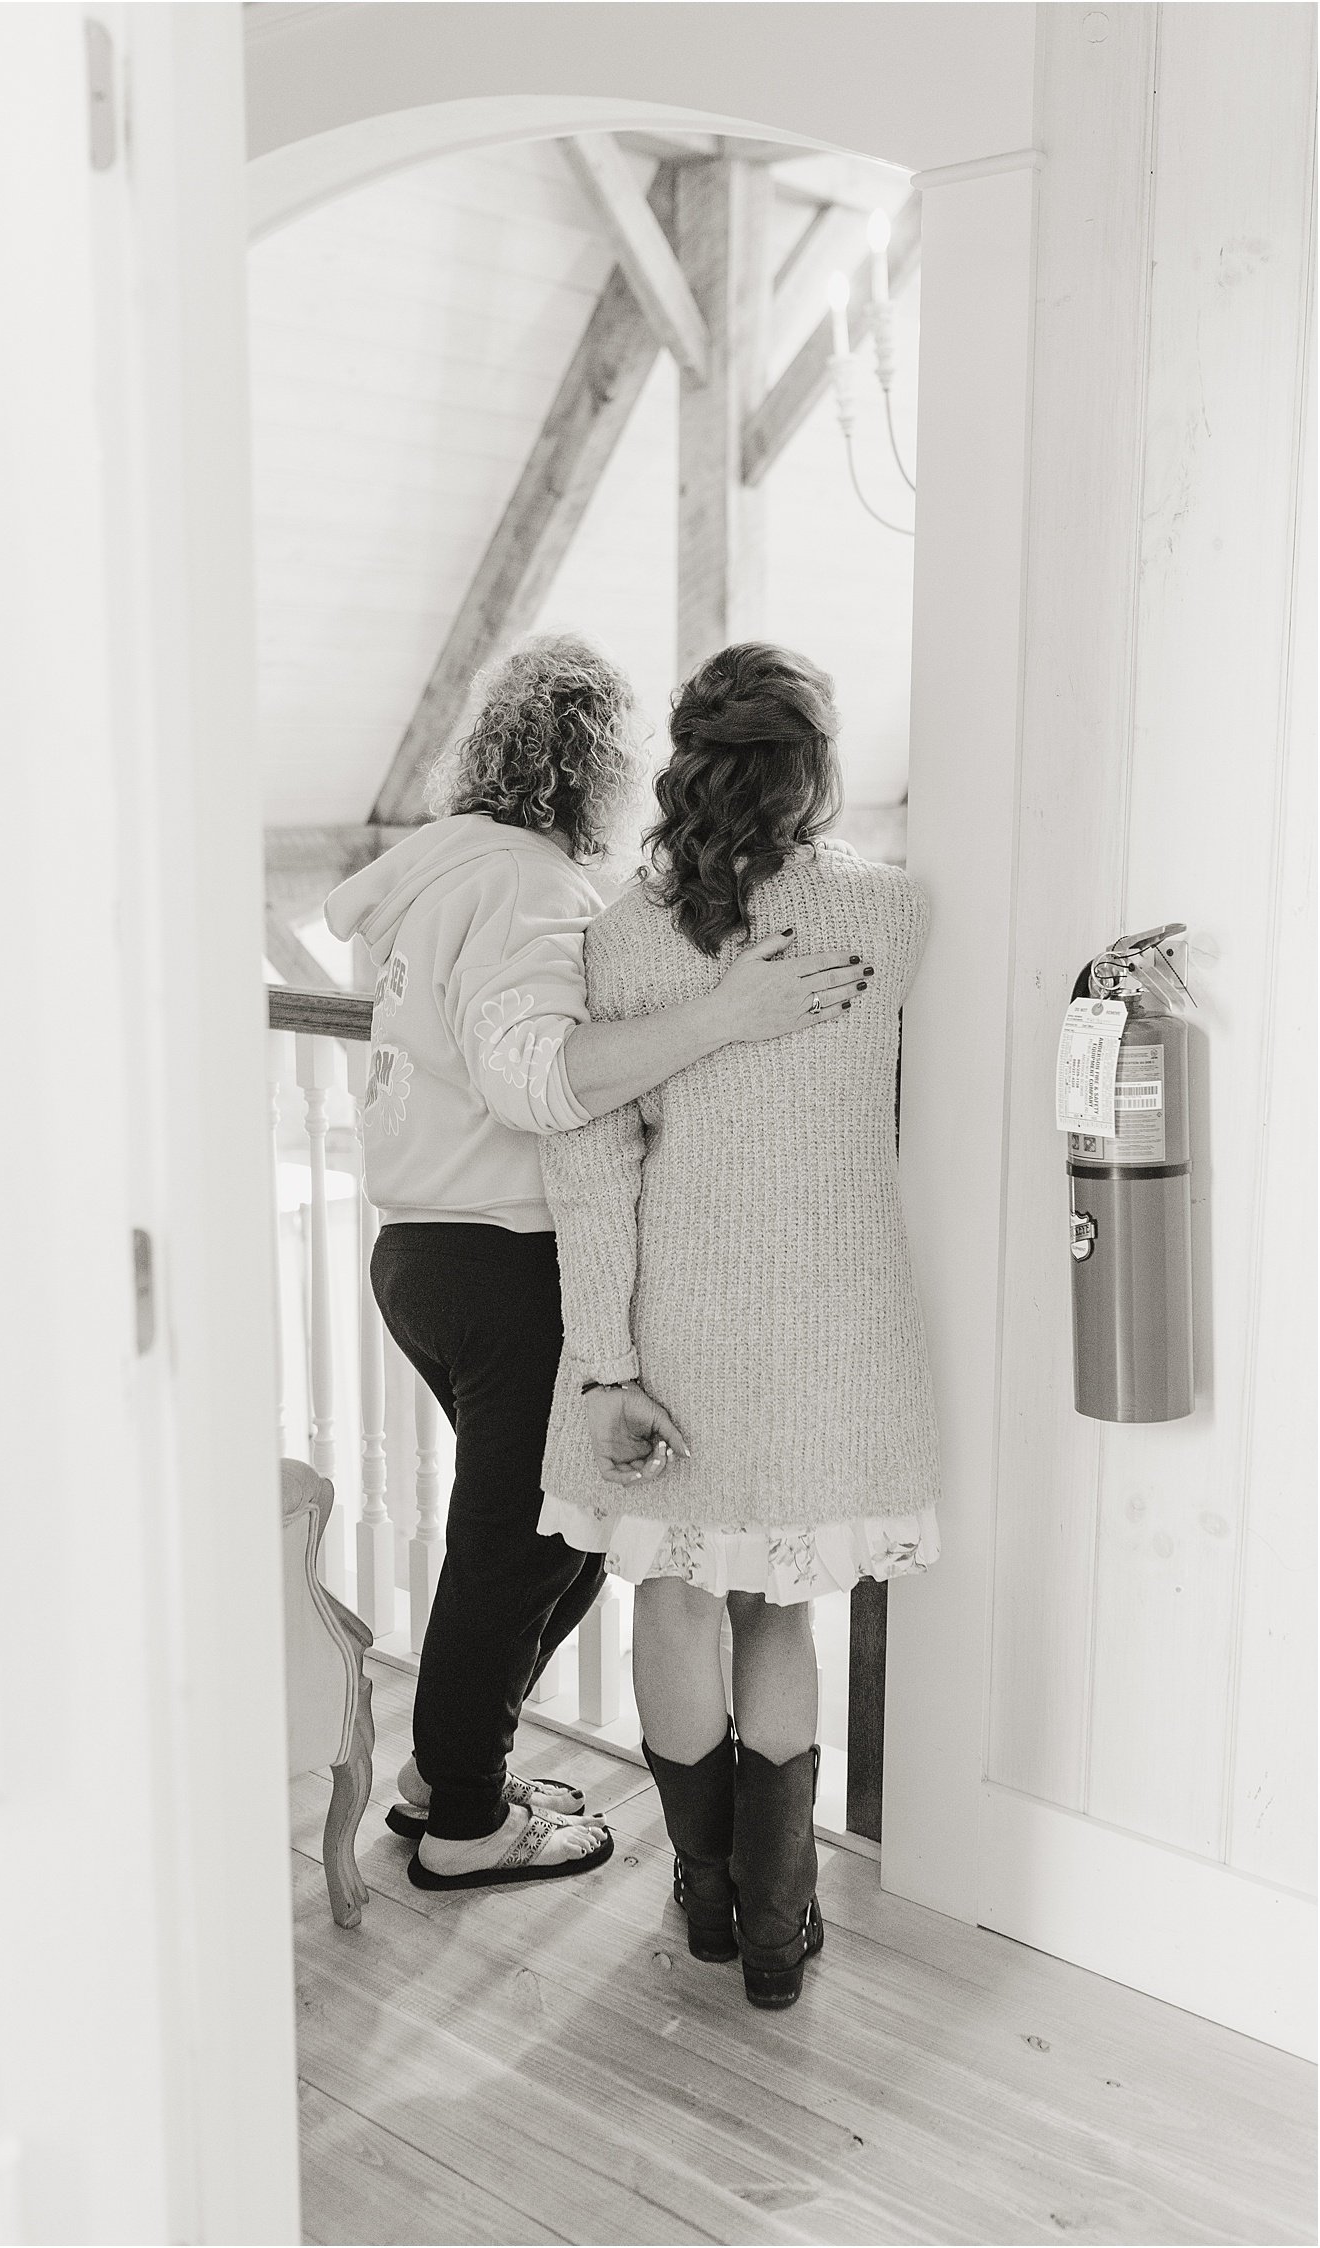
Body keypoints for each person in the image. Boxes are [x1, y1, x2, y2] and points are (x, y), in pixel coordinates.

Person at [324, 634, 864, 1892]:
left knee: (549, 1534)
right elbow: (539, 1081)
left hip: (420, 1249)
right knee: (526, 1542)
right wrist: (726, 1013)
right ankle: (466, 1820)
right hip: (504, 1259)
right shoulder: (524, 887)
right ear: (601, 767)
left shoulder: (445, 874)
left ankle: (442, 1773)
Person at [538, 641, 941, 2001]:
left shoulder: (619, 937)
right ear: (817, 768)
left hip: (678, 1316)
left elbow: (590, 1163)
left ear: (685, 761)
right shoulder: (895, 916)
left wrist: (604, 1362)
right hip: (838, 1322)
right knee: (780, 1608)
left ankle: (706, 1906)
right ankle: (780, 1934)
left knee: (670, 1589)